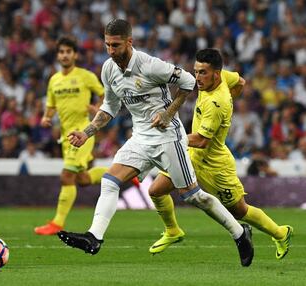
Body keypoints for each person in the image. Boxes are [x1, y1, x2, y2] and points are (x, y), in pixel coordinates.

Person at [57, 19, 253, 267]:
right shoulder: (108, 69)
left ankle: (239, 233)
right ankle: (94, 237)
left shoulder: (151, 66)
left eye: (115, 45)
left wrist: (169, 113)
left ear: (129, 42)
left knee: (193, 196)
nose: (110, 51)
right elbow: (110, 106)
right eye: (107, 45)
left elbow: (189, 83)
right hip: (140, 138)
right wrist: (87, 132)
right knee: (110, 180)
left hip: (168, 137)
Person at [147, 48, 292, 260]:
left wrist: (172, 137)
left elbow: (202, 141)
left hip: (214, 164)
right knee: (156, 190)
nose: (197, 77)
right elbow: (241, 82)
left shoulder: (216, 103)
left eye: (203, 73)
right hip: (191, 155)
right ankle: (172, 231)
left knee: (239, 211)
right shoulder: (224, 76)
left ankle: (281, 233)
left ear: (215, 73)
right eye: (196, 71)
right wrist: (233, 100)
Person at [34, 36, 108, 235]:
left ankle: (57, 223)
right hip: (66, 137)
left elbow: (104, 94)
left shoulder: (85, 76)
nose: (64, 55)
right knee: (82, 179)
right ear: (58, 55)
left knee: (67, 176)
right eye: (61, 52)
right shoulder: (54, 80)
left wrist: (99, 109)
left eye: (68, 51)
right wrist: (46, 118)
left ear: (75, 55)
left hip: (83, 132)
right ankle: (119, 175)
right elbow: (50, 106)